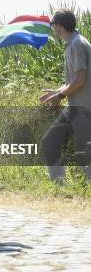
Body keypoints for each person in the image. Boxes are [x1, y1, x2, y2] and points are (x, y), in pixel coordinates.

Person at [39, 9, 91, 183]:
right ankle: (59, 186)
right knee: (49, 142)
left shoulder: (77, 44)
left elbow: (81, 79)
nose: (53, 29)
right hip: (75, 108)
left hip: (85, 109)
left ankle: (85, 194)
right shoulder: (72, 43)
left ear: (60, 26)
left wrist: (60, 95)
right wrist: (56, 92)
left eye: (53, 25)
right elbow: (73, 81)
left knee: (85, 155)